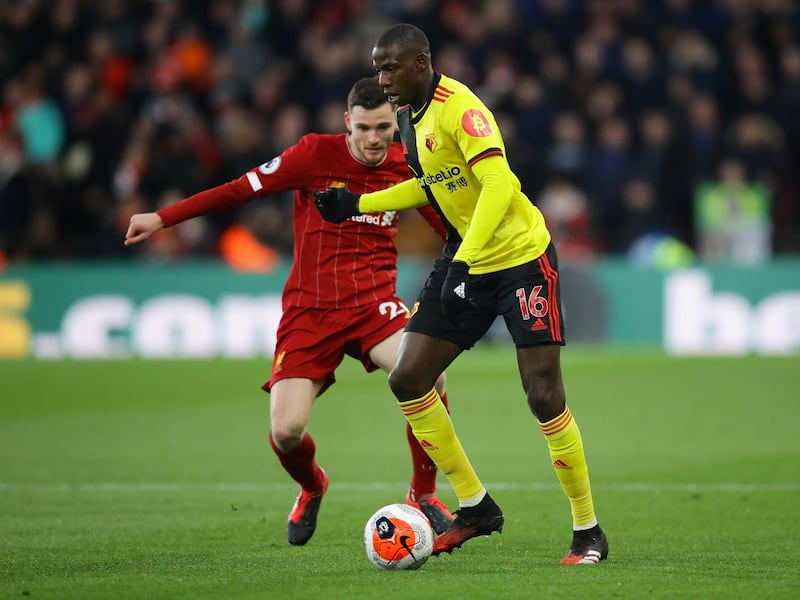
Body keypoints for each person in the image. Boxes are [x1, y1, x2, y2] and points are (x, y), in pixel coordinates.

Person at [314, 24, 608, 564]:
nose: (382, 79)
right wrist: (357, 203)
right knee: (407, 377)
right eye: (378, 69)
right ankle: (476, 506)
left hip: (520, 258)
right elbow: (432, 184)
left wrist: (467, 262)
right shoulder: (412, 119)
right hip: (466, 257)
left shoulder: (463, 108)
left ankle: (588, 529)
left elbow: (497, 185)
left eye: (390, 68)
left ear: (421, 63)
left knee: (543, 393)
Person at [124, 76, 455, 546]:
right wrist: (163, 218)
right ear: (348, 122)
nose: (375, 138)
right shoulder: (314, 155)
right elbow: (240, 190)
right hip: (310, 310)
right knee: (286, 431)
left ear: (396, 123)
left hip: (374, 306)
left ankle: (423, 493)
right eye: (364, 127)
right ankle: (312, 485)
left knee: (430, 377)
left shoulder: (408, 165)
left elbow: (448, 224)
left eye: (384, 127)